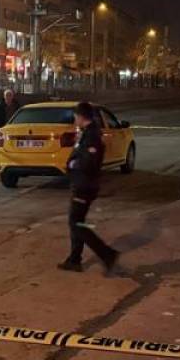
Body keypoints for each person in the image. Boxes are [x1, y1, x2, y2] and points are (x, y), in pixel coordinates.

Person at [58, 101, 120, 274]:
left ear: (81, 116)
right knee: (77, 221)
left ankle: (107, 254)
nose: (74, 120)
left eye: (75, 116)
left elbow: (89, 162)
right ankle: (74, 259)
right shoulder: (86, 132)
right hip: (81, 182)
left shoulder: (92, 135)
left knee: (76, 223)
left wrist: (73, 164)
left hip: (84, 184)